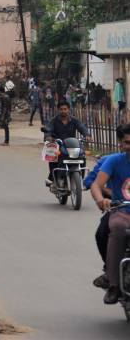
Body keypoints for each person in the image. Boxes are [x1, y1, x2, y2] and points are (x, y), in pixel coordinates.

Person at [89, 123, 130, 305]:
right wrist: (101, 200)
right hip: (121, 210)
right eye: (128, 142)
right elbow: (96, 185)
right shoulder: (113, 161)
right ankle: (113, 283)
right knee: (115, 228)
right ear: (121, 143)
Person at [84, 154, 114, 290]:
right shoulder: (110, 160)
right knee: (102, 233)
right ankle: (110, 271)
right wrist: (104, 197)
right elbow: (92, 183)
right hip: (120, 208)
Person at [45, 100, 92, 185]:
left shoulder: (74, 120)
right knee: (52, 155)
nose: (63, 111)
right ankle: (52, 177)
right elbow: (48, 129)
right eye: (61, 109)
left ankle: (80, 176)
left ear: (68, 109)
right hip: (58, 144)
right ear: (58, 110)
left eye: (65, 109)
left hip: (71, 144)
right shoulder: (54, 120)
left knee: (82, 155)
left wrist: (87, 135)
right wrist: (48, 137)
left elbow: (81, 127)